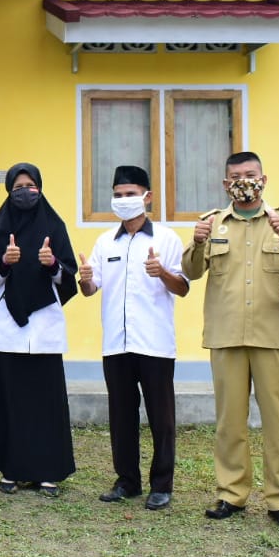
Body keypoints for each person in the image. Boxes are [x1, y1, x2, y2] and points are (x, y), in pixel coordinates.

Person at [181, 151, 279, 533]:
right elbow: (190, 272)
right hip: (225, 336)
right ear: (226, 184)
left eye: (251, 175)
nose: (244, 181)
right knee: (229, 422)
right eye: (236, 176)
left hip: (272, 336)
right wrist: (195, 242)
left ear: (264, 179)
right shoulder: (211, 222)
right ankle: (231, 494)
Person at [79, 165, 189, 510]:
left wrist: (163, 273)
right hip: (116, 344)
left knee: (161, 417)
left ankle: (162, 484)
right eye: (118, 195)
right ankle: (127, 481)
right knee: (121, 416)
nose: (124, 200)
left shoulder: (166, 239)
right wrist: (83, 277)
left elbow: (183, 287)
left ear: (147, 197)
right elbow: (89, 289)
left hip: (154, 344)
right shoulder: (104, 242)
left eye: (130, 194)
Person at [0, 163, 78, 498]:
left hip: (44, 326)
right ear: (8, 190)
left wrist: (52, 265)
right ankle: (12, 469)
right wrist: (6, 262)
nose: (25, 191)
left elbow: (68, 275)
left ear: (40, 187)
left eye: (31, 184)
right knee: (10, 401)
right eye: (18, 185)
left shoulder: (55, 225)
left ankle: (48, 472)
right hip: (8, 329)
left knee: (44, 403)